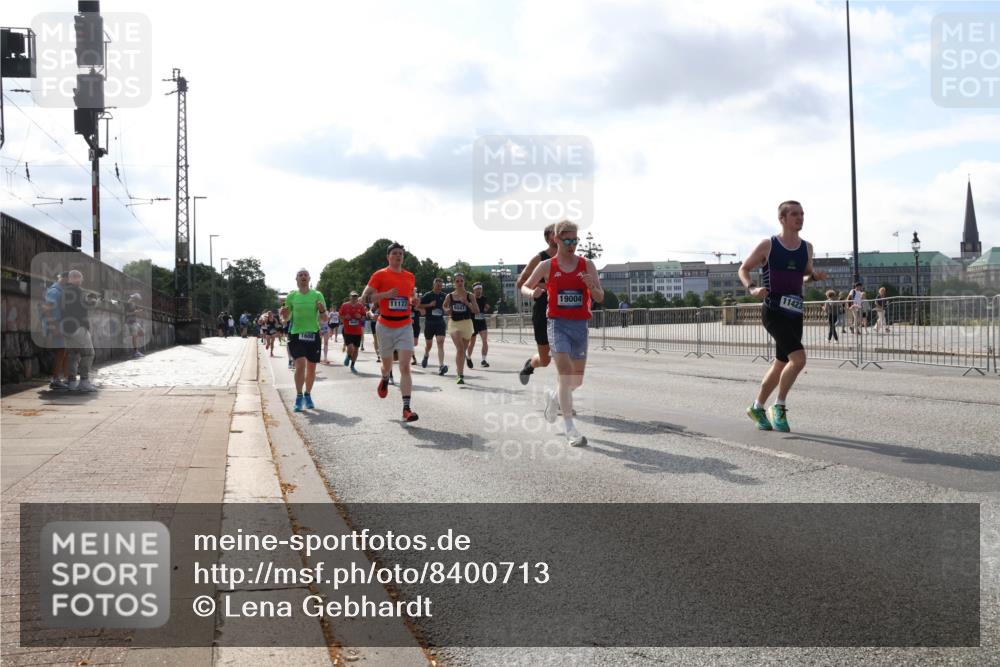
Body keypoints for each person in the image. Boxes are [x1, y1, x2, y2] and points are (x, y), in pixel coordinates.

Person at [739, 200, 828, 433]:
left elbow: (803, 277)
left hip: (796, 311)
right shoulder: (768, 245)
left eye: (802, 214)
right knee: (798, 360)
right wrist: (752, 289)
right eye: (795, 214)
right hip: (774, 310)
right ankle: (778, 406)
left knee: (781, 364)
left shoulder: (807, 248)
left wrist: (815, 278)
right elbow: (743, 268)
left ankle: (757, 406)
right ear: (782, 219)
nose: (800, 218)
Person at [522, 220, 604, 447]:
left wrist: (591, 286)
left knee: (576, 380)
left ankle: (554, 397)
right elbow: (524, 285)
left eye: (575, 240)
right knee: (566, 374)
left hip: (580, 326)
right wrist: (533, 293)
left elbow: (600, 297)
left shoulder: (587, 265)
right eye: (567, 240)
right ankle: (570, 429)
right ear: (556, 239)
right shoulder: (548, 265)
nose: (572, 244)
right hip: (557, 324)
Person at [361, 242, 419, 422]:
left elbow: (410, 296)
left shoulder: (410, 276)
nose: (398, 256)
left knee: (404, 366)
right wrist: (384, 295)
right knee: (387, 365)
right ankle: (385, 377)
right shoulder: (380, 275)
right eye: (394, 253)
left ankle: (406, 408)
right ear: (388, 257)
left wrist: (414, 301)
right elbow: (365, 298)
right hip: (385, 326)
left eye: (400, 253)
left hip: (404, 325)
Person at [280, 269, 328, 412]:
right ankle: (299, 396)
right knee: (300, 364)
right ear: (296, 279)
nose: (303, 277)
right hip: (296, 335)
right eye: (300, 275)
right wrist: (285, 314)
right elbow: (286, 319)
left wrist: (321, 310)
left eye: (305, 275)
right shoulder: (292, 296)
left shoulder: (317, 295)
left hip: (313, 335)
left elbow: (324, 319)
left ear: (309, 278)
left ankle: (308, 394)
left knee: (312, 368)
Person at [517, 223, 558, 385]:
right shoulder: (540, 259)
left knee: (565, 356)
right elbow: (521, 283)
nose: (559, 235)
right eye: (556, 233)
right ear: (548, 237)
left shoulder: (569, 258)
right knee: (545, 360)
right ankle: (531, 364)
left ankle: (562, 398)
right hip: (543, 311)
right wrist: (543, 287)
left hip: (564, 314)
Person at [59, 270, 98, 392]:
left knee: (73, 355)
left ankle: (71, 382)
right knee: (88, 353)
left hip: (67, 328)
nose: (81, 281)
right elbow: (85, 305)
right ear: (75, 278)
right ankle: (84, 382)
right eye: (81, 279)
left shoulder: (64, 291)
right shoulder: (77, 291)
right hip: (78, 327)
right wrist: (93, 302)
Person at [444, 273, 479, 384]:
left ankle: (460, 371)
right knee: (459, 348)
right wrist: (447, 310)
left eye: (461, 281)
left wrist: (467, 303)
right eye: (457, 281)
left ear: (464, 282)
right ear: (454, 283)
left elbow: (476, 311)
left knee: (462, 351)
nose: (459, 283)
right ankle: (460, 375)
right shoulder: (449, 296)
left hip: (467, 323)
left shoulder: (470, 295)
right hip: (454, 324)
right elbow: (444, 305)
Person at [41, 272, 70, 391]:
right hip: (56, 325)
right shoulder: (54, 291)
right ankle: (55, 379)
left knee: (65, 351)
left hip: (60, 324)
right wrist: (54, 326)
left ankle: (67, 378)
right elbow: (47, 309)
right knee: (61, 351)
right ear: (64, 278)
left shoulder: (60, 290)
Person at [420, 277, 449, 375]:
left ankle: (441, 366)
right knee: (429, 345)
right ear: (434, 285)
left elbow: (447, 306)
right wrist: (429, 305)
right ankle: (426, 355)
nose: (439, 287)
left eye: (441, 286)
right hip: (429, 323)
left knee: (440, 342)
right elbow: (418, 305)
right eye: (437, 285)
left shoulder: (444, 296)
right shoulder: (428, 295)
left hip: (440, 322)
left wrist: (447, 309)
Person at [339, 291, 367, 372]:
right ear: (350, 297)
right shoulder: (345, 305)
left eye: (355, 296)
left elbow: (364, 317)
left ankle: (352, 366)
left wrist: (360, 316)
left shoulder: (360, 306)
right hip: (347, 331)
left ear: (357, 297)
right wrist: (344, 317)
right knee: (350, 347)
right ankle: (348, 356)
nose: (354, 298)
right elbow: (340, 316)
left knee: (356, 350)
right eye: (352, 296)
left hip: (357, 332)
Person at [466, 282, 491, 368]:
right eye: (477, 289)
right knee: (472, 343)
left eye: (480, 289)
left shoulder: (484, 298)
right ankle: (468, 357)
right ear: (474, 290)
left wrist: (485, 309)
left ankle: (483, 360)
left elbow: (487, 306)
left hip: (482, 322)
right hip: (473, 323)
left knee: (485, 340)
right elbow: (469, 308)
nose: (479, 291)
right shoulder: (471, 298)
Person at [125, 293, 146, 358]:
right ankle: (136, 352)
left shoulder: (134, 304)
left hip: (134, 321)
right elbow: (126, 313)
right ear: (135, 299)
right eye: (138, 300)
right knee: (135, 336)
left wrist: (139, 311)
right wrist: (136, 312)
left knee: (142, 333)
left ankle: (136, 350)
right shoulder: (128, 303)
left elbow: (134, 311)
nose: (138, 302)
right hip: (130, 321)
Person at [410, 288, 422, 364]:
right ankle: (413, 358)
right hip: (407, 326)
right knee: (409, 343)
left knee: (415, 343)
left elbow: (423, 312)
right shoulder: (407, 304)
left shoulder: (418, 304)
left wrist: (418, 308)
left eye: (414, 293)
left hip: (416, 326)